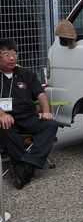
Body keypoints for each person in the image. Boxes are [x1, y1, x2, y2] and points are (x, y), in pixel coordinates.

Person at [0, 38, 59, 189]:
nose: (12, 58)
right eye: (6, 54)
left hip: (27, 117)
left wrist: (46, 111)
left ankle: (26, 165)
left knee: (50, 125)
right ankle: (23, 170)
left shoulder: (26, 74)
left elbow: (41, 95)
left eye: (14, 53)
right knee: (4, 126)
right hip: (6, 120)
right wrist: (2, 114)